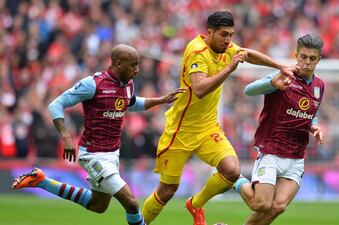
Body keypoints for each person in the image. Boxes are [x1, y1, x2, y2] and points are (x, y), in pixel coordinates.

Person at [141, 11, 297, 225]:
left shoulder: (226, 48)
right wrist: (230, 67)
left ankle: (195, 204)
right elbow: (199, 89)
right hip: (181, 130)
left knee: (232, 170)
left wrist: (280, 66)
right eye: (224, 35)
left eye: (231, 35)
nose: (228, 40)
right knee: (167, 190)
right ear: (209, 33)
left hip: (207, 128)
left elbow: (247, 54)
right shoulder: (197, 51)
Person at [11, 44, 185, 225]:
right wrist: (67, 137)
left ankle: (41, 181)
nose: (137, 70)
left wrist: (161, 100)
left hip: (112, 154)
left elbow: (130, 103)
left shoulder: (128, 84)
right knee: (131, 203)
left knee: (98, 205)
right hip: (93, 155)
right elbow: (56, 105)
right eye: (133, 65)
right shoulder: (93, 84)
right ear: (118, 64)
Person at [233, 34, 325, 225]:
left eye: (312, 58)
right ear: (296, 55)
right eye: (303, 57)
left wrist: (314, 126)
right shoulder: (284, 75)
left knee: (278, 207)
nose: (307, 62)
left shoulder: (319, 86)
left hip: (297, 156)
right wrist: (271, 83)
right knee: (261, 204)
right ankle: (232, 178)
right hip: (272, 150)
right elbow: (248, 90)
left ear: (319, 59)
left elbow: (309, 111)